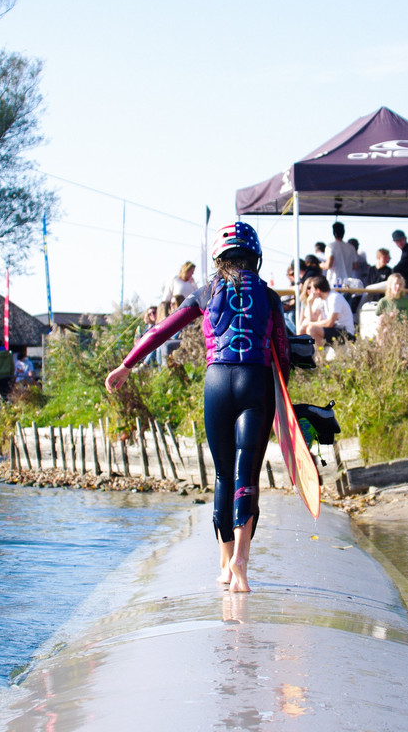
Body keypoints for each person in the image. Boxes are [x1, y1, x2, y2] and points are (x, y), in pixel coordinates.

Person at [105, 221, 290, 593]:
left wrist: (127, 364)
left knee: (222, 476)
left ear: (218, 258)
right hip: (256, 384)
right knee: (246, 475)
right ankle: (241, 559)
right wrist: (283, 407)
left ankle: (224, 565)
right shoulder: (269, 298)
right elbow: (282, 351)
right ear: (255, 258)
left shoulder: (204, 293)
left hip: (217, 383)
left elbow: (161, 331)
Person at [301, 276, 355, 346]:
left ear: (318, 290)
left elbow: (330, 323)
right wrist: (309, 303)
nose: (311, 291)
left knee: (311, 329)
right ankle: (305, 355)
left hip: (345, 332)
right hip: (333, 329)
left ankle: (319, 356)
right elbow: (312, 319)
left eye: (312, 288)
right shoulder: (320, 299)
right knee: (303, 329)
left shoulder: (335, 298)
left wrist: (309, 324)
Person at [321, 222, 357, 287]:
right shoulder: (351, 247)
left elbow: (329, 264)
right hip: (347, 283)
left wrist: (321, 265)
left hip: (334, 282)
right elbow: (355, 266)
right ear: (344, 232)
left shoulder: (330, 246)